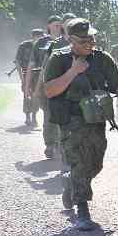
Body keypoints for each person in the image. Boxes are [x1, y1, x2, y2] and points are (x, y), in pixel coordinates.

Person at [44, 18, 118, 230]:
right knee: (80, 162)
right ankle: (82, 209)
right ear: (70, 39)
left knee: (96, 163)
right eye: (84, 40)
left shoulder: (102, 58)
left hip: (96, 119)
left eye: (92, 38)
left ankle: (71, 184)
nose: (90, 42)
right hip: (71, 121)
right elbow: (49, 91)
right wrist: (73, 71)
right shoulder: (59, 59)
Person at [36, 13, 76, 162]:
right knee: (51, 118)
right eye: (65, 24)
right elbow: (44, 69)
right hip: (56, 87)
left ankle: (65, 147)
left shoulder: (83, 41)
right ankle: (51, 144)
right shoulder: (54, 45)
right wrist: (39, 88)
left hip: (75, 88)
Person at [26, 16, 63, 156]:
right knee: (48, 115)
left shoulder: (67, 41)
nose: (58, 28)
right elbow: (32, 64)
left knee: (62, 114)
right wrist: (28, 85)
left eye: (60, 25)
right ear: (48, 26)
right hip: (44, 84)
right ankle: (50, 144)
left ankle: (61, 143)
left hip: (62, 83)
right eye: (55, 25)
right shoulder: (41, 42)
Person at [14, 29, 44, 126]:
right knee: (26, 95)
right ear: (33, 36)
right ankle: (27, 116)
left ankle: (34, 116)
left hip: (38, 74)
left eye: (41, 36)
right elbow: (18, 62)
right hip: (26, 73)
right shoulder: (23, 46)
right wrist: (22, 79)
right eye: (38, 36)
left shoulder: (43, 46)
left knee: (36, 96)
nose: (40, 38)